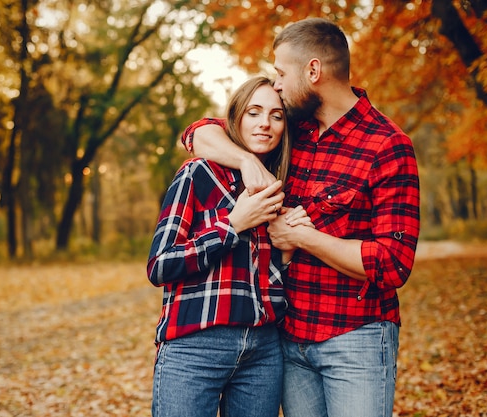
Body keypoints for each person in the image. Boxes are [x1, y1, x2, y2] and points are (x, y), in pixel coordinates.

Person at [180, 18, 421, 417]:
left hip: (355, 338)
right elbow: (196, 132)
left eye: (280, 74)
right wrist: (244, 160)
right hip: (290, 338)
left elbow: (393, 264)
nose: (275, 86)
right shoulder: (293, 128)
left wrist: (302, 237)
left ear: (313, 71)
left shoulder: (388, 147)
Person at [147, 76, 313, 417]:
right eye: (254, 112)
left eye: (276, 116)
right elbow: (160, 265)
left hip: (263, 352)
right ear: (235, 119)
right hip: (195, 346)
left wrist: (288, 252)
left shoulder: (278, 188)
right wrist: (233, 225)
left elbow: (267, 284)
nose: (265, 123)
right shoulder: (199, 174)